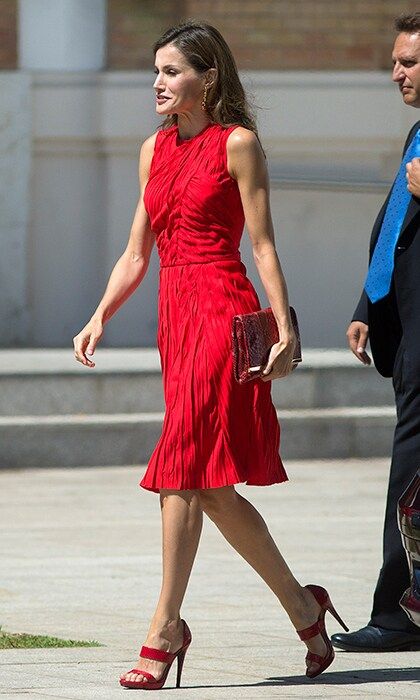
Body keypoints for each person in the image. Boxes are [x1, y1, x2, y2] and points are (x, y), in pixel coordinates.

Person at [73, 21, 347, 690]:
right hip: (176, 317)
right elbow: (140, 250)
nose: (159, 82)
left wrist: (285, 328)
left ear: (208, 78)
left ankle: (165, 626)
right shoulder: (153, 150)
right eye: (156, 70)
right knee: (213, 489)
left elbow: (263, 246)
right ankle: (305, 609)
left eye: (172, 71)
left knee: (181, 466)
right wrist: (100, 313)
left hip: (224, 314)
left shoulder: (239, 144)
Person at [333, 12, 420, 653]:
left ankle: (398, 615)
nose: (397, 73)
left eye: (409, 62)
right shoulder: (418, 134)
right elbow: (396, 224)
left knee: (411, 468)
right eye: (395, 61)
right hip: (410, 331)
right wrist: (370, 300)